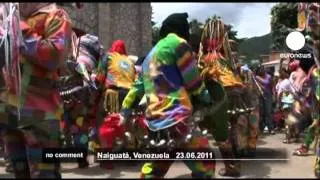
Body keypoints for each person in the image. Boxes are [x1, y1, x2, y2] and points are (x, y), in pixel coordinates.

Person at [119, 13, 215, 178]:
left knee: (156, 167)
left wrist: (125, 111)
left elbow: (137, 88)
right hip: (178, 118)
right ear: (181, 30)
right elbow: (193, 81)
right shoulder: (178, 44)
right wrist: (206, 97)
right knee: (205, 163)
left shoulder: (150, 55)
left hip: (155, 122)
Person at [0, 3, 72, 178]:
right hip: (9, 115)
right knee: (20, 173)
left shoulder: (56, 16)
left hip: (41, 119)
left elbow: (54, 57)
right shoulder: (7, 20)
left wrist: (20, 28)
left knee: (45, 174)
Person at [255, 66, 275, 135]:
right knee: (262, 112)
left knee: (268, 112)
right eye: (260, 69)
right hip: (260, 96)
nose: (262, 70)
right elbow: (256, 86)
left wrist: (273, 94)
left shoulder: (268, 76)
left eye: (263, 69)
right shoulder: (256, 77)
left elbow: (272, 86)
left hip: (268, 95)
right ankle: (261, 128)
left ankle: (271, 128)